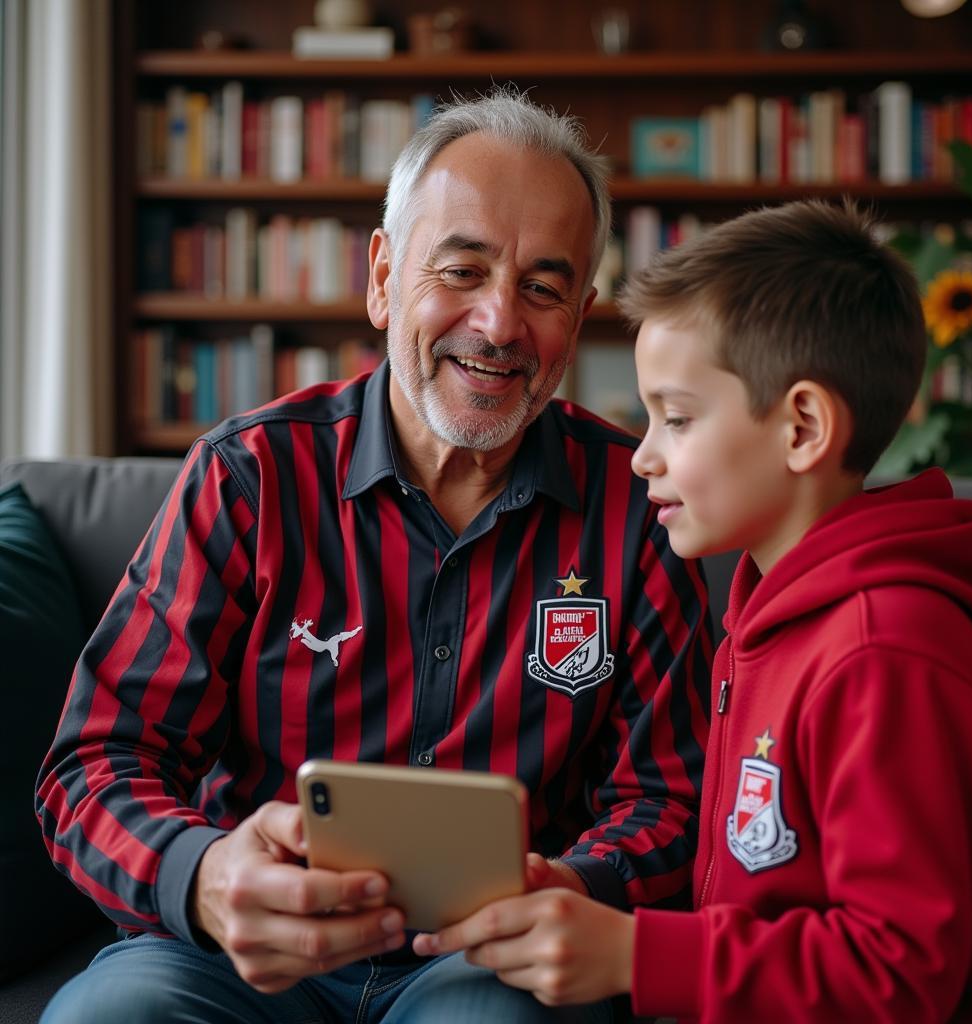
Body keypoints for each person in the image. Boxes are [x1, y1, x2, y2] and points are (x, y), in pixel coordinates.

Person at [35, 90, 711, 1024]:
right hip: (239, 960)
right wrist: (204, 877)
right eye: (462, 269)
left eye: (543, 288)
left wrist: (574, 885)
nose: (500, 322)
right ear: (385, 278)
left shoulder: (639, 509)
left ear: (582, 313)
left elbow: (672, 799)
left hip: (492, 966)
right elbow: (97, 764)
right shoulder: (249, 478)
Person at [412, 199, 972, 1021]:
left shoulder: (886, 652)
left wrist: (636, 954)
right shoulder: (771, 611)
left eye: (679, 418)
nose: (644, 455)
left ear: (802, 426)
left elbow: (902, 973)